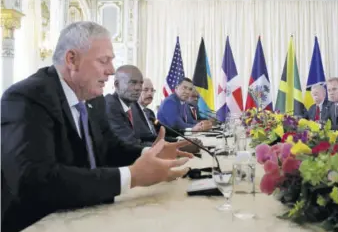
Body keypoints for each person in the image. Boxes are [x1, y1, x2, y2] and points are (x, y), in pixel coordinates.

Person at [1, 21, 192, 232]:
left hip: (89, 214)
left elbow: (109, 148)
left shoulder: (93, 99)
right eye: (104, 61)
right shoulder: (26, 98)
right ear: (72, 59)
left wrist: (150, 153)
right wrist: (132, 176)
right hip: (40, 223)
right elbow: (35, 181)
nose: (111, 71)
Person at [134, 78, 200, 153]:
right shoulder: (132, 113)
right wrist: (177, 145)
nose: (150, 93)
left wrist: (181, 141)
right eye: (146, 90)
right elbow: (143, 139)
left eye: (152, 90)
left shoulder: (149, 113)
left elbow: (161, 133)